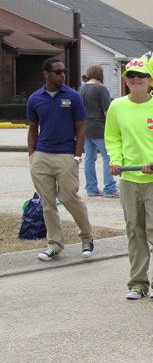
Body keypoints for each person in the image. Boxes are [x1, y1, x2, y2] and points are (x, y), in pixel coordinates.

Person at [107, 57, 153, 300]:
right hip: (129, 180)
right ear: (125, 80)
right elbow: (113, 138)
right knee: (134, 231)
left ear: (150, 80)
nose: (136, 79)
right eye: (131, 76)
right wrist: (115, 160)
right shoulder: (117, 106)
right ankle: (137, 283)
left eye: (141, 75)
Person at [27, 57, 94, 261]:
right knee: (47, 202)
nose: (62, 74)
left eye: (63, 71)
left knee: (68, 197)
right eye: (58, 72)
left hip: (66, 155)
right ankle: (54, 245)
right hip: (42, 156)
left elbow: (81, 128)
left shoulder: (72, 97)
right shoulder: (35, 98)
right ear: (46, 73)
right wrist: (32, 156)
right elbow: (32, 129)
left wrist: (77, 156)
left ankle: (87, 238)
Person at [80, 64, 118, 198]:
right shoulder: (100, 89)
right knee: (108, 157)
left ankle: (91, 188)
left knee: (89, 158)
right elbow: (107, 111)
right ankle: (109, 188)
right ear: (100, 74)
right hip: (100, 127)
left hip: (85, 127)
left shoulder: (82, 89)